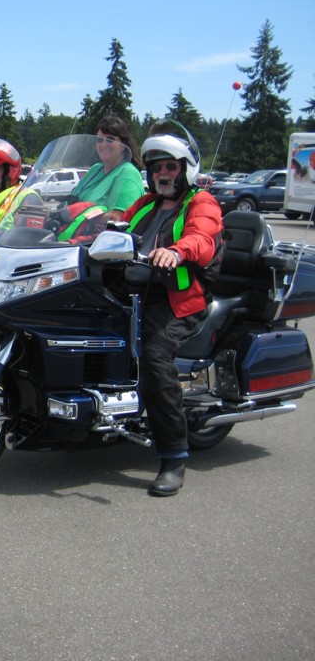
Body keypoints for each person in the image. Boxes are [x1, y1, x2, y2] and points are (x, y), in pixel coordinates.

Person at [120, 126, 223, 497]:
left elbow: (202, 238)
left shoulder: (201, 203)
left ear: (186, 169)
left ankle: (173, 457)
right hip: (134, 292)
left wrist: (177, 251)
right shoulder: (145, 205)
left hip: (178, 300)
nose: (162, 174)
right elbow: (113, 225)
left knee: (154, 358)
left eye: (170, 167)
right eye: (157, 168)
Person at [68, 114, 145, 218]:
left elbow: (117, 217)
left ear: (124, 145)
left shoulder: (128, 172)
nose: (104, 144)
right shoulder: (95, 169)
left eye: (110, 139)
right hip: (72, 228)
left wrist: (85, 219)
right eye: (99, 140)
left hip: (95, 229)